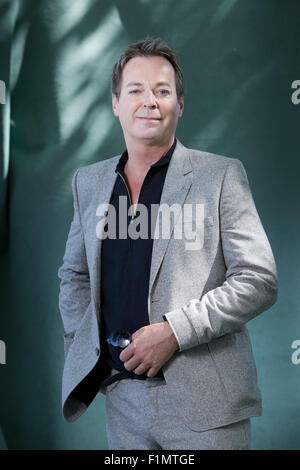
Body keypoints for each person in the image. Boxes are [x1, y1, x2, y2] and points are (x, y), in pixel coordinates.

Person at [57, 37, 278, 450]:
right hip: (122, 399)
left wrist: (175, 332)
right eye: (135, 90)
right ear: (115, 102)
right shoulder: (87, 183)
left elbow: (259, 279)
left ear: (180, 104)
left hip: (207, 405)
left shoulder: (222, 176)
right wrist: (87, 348)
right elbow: (74, 276)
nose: (149, 102)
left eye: (162, 91)